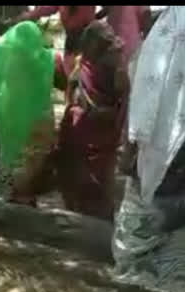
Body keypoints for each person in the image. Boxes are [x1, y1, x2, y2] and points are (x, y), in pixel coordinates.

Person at [111, 6, 185, 292]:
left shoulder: (163, 36)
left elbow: (140, 106)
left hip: (158, 160)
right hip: (160, 159)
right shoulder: (163, 37)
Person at [52, 21, 128, 221]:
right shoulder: (100, 62)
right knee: (98, 188)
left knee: (90, 188)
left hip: (90, 136)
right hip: (96, 137)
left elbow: (120, 97)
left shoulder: (108, 62)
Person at [0, 21, 57, 207]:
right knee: (32, 159)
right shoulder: (45, 60)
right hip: (38, 121)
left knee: (17, 158)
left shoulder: (8, 58)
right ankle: (27, 196)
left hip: (10, 119)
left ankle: (16, 194)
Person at [8, 6, 96, 75]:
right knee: (71, 71)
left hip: (84, 38)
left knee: (80, 72)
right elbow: (49, 8)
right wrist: (30, 15)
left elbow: (87, 19)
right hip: (72, 38)